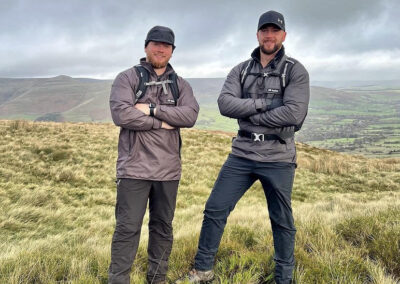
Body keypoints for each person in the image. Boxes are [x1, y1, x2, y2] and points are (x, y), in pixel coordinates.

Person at [184, 11, 309, 284]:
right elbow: (225, 104)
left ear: (283, 35)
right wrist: (264, 105)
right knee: (215, 208)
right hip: (242, 153)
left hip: (278, 156)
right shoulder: (240, 70)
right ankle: (202, 270)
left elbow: (294, 115)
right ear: (257, 35)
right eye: (264, 30)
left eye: (275, 30)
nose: (269, 35)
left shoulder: (295, 71)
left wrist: (248, 114)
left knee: (281, 220)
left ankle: (283, 278)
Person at [108, 25, 199, 284]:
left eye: (166, 45)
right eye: (155, 43)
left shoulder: (180, 84)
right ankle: (118, 280)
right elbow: (121, 114)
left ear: (172, 51)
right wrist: (162, 122)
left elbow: (190, 116)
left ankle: (157, 279)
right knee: (127, 228)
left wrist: (150, 109)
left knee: (162, 227)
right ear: (146, 46)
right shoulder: (127, 78)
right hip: (133, 168)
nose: (160, 49)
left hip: (168, 170)